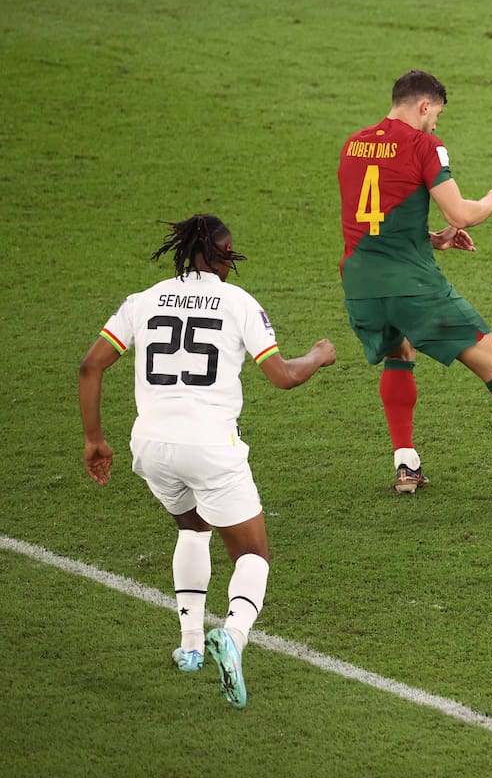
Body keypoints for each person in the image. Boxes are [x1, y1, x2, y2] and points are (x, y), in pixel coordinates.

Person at [78, 214, 336, 709]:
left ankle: (191, 645)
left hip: (151, 447)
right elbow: (282, 376)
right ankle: (233, 638)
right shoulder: (238, 303)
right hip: (210, 448)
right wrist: (317, 356)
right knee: (253, 554)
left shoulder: (143, 300)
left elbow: (90, 366)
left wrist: (94, 440)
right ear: (222, 255)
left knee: (193, 528)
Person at [337, 69, 492, 494]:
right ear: (424, 106)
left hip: (362, 284)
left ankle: (406, 463)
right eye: (435, 115)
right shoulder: (425, 146)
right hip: (412, 285)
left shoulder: (354, 144)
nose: (435, 125)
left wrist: (430, 239)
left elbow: (370, 220)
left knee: (400, 350)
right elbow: (459, 213)